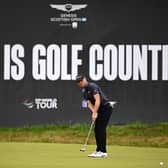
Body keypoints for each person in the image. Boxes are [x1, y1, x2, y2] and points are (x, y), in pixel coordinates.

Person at [76, 75, 113, 158]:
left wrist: (95, 112)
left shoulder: (92, 86)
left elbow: (98, 100)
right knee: (97, 129)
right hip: (99, 110)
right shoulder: (84, 92)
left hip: (106, 108)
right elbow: (89, 104)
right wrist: (94, 112)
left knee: (100, 128)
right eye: (78, 82)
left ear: (85, 80)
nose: (80, 83)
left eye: (81, 80)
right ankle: (99, 150)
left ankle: (103, 151)